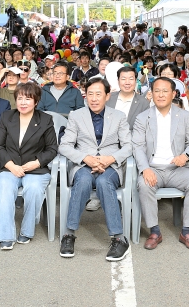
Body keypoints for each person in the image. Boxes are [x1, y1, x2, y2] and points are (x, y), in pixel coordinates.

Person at [58, 78, 132, 261]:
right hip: (84, 164)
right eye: (90, 94)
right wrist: (85, 158)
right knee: (82, 180)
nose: (94, 98)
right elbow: (64, 146)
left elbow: (129, 146)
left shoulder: (118, 116)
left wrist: (110, 159)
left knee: (103, 181)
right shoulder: (76, 115)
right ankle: (69, 234)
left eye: (98, 94)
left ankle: (118, 238)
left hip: (111, 165)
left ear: (107, 96)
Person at [132, 77, 189, 250]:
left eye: (165, 91)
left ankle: (186, 231)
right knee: (144, 184)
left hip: (177, 169)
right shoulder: (143, 118)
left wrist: (185, 156)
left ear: (173, 94)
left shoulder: (184, 116)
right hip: (153, 168)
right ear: (152, 93)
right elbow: (137, 147)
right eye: (157, 91)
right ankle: (155, 231)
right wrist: (145, 169)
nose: (161, 95)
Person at [0, 81, 59, 250]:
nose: (23, 102)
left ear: (36, 102)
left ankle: (27, 230)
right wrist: (11, 166)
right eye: (20, 98)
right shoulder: (6, 117)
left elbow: (52, 149)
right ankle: (6, 235)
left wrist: (36, 162)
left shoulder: (45, 119)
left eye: (28, 99)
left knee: (34, 189)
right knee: (5, 188)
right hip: (9, 167)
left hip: (36, 169)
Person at [107, 65, 149, 135]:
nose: (127, 82)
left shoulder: (143, 103)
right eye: (123, 79)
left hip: (132, 142)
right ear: (118, 81)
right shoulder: (108, 98)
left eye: (131, 79)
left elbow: (144, 129)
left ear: (136, 81)